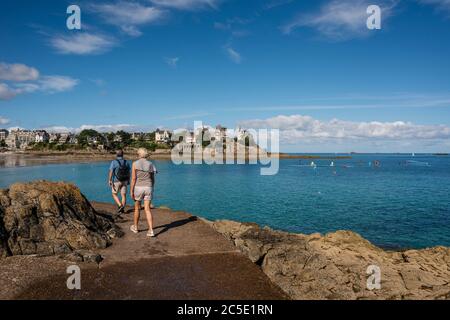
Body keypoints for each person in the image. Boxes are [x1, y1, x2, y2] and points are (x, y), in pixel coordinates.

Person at [130, 148, 157, 237]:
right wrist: (152, 186)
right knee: (147, 209)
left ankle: (135, 227)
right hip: (148, 187)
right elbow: (152, 178)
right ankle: (151, 230)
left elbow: (133, 178)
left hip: (138, 187)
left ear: (139, 154)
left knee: (137, 208)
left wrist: (131, 190)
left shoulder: (134, 164)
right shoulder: (151, 164)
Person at [108, 149, 131, 214]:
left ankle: (120, 205)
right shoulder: (126, 162)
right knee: (123, 195)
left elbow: (111, 171)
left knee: (114, 194)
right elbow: (129, 172)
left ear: (116, 155)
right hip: (125, 180)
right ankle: (122, 209)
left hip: (116, 180)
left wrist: (109, 180)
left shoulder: (114, 162)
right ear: (123, 154)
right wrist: (128, 180)